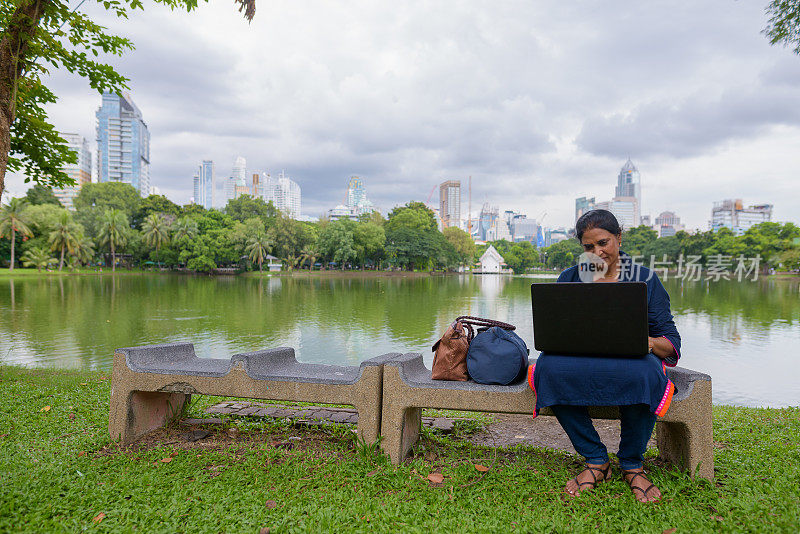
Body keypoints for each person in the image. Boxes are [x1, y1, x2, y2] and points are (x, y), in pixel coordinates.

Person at [531, 209, 681, 503]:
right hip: (581, 357)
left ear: (618, 238)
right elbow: (556, 331)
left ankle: (632, 464)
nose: (597, 252)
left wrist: (644, 341)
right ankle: (596, 458)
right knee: (547, 368)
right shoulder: (570, 277)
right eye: (589, 247)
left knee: (646, 373)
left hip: (634, 359)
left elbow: (670, 342)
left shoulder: (645, 279)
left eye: (603, 243)